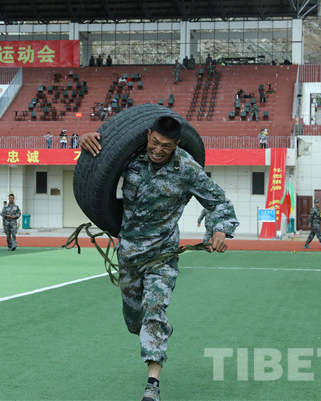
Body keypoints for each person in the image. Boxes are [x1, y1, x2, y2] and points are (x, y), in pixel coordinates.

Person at [79, 116, 237, 401]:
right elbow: (96, 164)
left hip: (162, 255)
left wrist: (221, 230)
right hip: (129, 254)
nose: (158, 149)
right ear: (148, 135)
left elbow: (219, 202)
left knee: (154, 307)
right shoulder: (130, 155)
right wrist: (85, 140)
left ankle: (152, 386)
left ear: (177, 144)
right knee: (134, 322)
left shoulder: (187, 168)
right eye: (154, 142)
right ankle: (157, 327)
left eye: (166, 146)